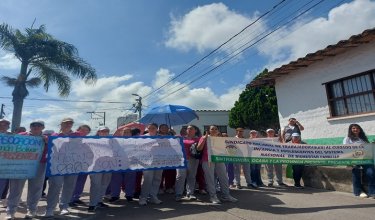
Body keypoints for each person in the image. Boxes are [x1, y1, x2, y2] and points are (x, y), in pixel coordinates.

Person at [6, 120, 48, 219]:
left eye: (39, 125)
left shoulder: (47, 138)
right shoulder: (21, 135)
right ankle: (10, 212)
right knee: (15, 189)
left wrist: (47, 143)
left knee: (36, 189)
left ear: (43, 127)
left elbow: (54, 151)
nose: (36, 127)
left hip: (39, 165)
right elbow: (10, 146)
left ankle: (32, 210)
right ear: (30, 127)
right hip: (21, 165)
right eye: (33, 125)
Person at [44, 117, 81, 217]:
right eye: (65, 123)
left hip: (73, 165)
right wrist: (47, 141)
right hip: (57, 165)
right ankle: (50, 208)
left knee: (69, 186)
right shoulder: (54, 135)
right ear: (61, 124)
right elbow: (48, 148)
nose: (68, 125)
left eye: (70, 123)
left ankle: (64, 206)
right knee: (55, 185)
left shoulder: (77, 135)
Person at [197, 125, 237, 204]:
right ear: (209, 130)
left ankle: (226, 195)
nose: (214, 130)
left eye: (216, 129)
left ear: (218, 131)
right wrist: (204, 139)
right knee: (210, 178)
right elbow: (198, 148)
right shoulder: (204, 137)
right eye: (212, 129)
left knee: (224, 177)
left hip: (219, 159)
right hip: (207, 160)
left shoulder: (220, 139)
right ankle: (213, 196)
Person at [343, 124, 375, 198]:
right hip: (354, 160)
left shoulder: (363, 138)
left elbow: (367, 148)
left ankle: (372, 192)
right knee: (356, 173)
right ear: (350, 130)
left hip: (365, 159)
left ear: (360, 130)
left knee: (371, 172)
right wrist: (349, 163)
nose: (355, 129)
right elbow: (345, 150)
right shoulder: (347, 139)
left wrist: (372, 145)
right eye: (353, 128)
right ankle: (358, 191)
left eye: (357, 128)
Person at [88, 126, 112, 212]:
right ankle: (92, 204)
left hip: (108, 166)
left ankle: (99, 201)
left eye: (106, 131)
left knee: (104, 184)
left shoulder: (112, 141)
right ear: (98, 132)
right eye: (102, 131)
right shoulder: (91, 140)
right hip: (95, 167)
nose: (104, 132)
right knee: (95, 184)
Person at [109, 127, 137, 202]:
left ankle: (129, 195)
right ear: (121, 133)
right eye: (125, 132)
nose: (126, 133)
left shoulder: (136, 141)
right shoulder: (116, 141)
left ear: (131, 134)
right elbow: (109, 143)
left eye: (128, 132)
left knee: (130, 180)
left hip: (130, 164)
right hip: (118, 164)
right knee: (115, 180)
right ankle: (114, 195)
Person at [139, 123, 163, 206]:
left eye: (153, 128)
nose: (151, 129)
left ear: (157, 129)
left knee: (157, 179)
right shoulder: (142, 137)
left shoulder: (162, 137)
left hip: (159, 161)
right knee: (147, 180)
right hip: (147, 162)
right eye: (149, 128)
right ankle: (143, 198)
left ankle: (153, 196)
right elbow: (138, 149)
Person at [175, 125, 201, 201]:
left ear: (195, 130)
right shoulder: (180, 138)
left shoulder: (199, 139)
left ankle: (190, 193)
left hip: (193, 160)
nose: (189, 130)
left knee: (192, 176)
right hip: (181, 160)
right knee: (180, 176)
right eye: (188, 129)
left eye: (191, 128)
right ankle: (178, 194)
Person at [70, 125, 92, 207]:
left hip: (84, 165)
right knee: (73, 182)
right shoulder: (72, 136)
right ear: (78, 130)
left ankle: (76, 198)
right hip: (73, 164)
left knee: (81, 182)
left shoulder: (89, 140)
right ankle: (69, 199)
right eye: (82, 129)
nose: (84, 131)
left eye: (87, 130)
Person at [158, 124, 176, 194]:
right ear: (159, 129)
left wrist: (174, 136)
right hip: (160, 157)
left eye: (166, 127)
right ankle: (160, 187)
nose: (164, 129)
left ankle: (169, 187)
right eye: (162, 127)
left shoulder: (172, 135)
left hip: (170, 156)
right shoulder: (156, 136)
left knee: (170, 172)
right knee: (160, 173)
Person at [0, 119, 11, 207]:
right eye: (1, 124)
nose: (3, 126)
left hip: (6, 164)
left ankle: (3, 199)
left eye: (5, 125)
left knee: (5, 183)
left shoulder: (12, 136)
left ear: (8, 127)